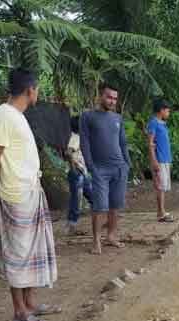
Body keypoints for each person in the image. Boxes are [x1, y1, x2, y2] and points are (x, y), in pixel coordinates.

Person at [0, 68, 59, 321]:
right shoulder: (4, 116)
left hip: (28, 191)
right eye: (37, 89)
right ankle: (19, 312)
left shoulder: (14, 115)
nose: (38, 93)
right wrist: (5, 183)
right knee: (18, 253)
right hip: (17, 194)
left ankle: (30, 304)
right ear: (30, 90)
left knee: (31, 250)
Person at [80, 83, 131, 255]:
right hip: (99, 169)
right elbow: (84, 142)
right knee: (99, 206)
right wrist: (90, 166)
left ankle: (111, 236)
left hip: (119, 168)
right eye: (109, 97)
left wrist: (127, 164)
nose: (112, 101)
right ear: (100, 96)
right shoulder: (87, 116)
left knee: (115, 205)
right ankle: (96, 241)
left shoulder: (118, 119)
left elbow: (123, 143)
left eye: (115, 98)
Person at [147, 99, 174, 222]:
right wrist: (154, 161)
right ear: (161, 110)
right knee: (160, 186)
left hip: (165, 159)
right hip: (159, 159)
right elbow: (151, 143)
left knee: (163, 186)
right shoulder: (153, 123)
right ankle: (161, 213)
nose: (169, 113)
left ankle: (162, 210)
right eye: (167, 110)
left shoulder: (162, 124)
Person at [65, 115, 93, 235]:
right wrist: (74, 167)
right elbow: (68, 152)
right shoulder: (75, 138)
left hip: (82, 173)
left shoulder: (78, 137)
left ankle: (101, 218)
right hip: (77, 174)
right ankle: (72, 226)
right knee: (76, 200)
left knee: (92, 196)